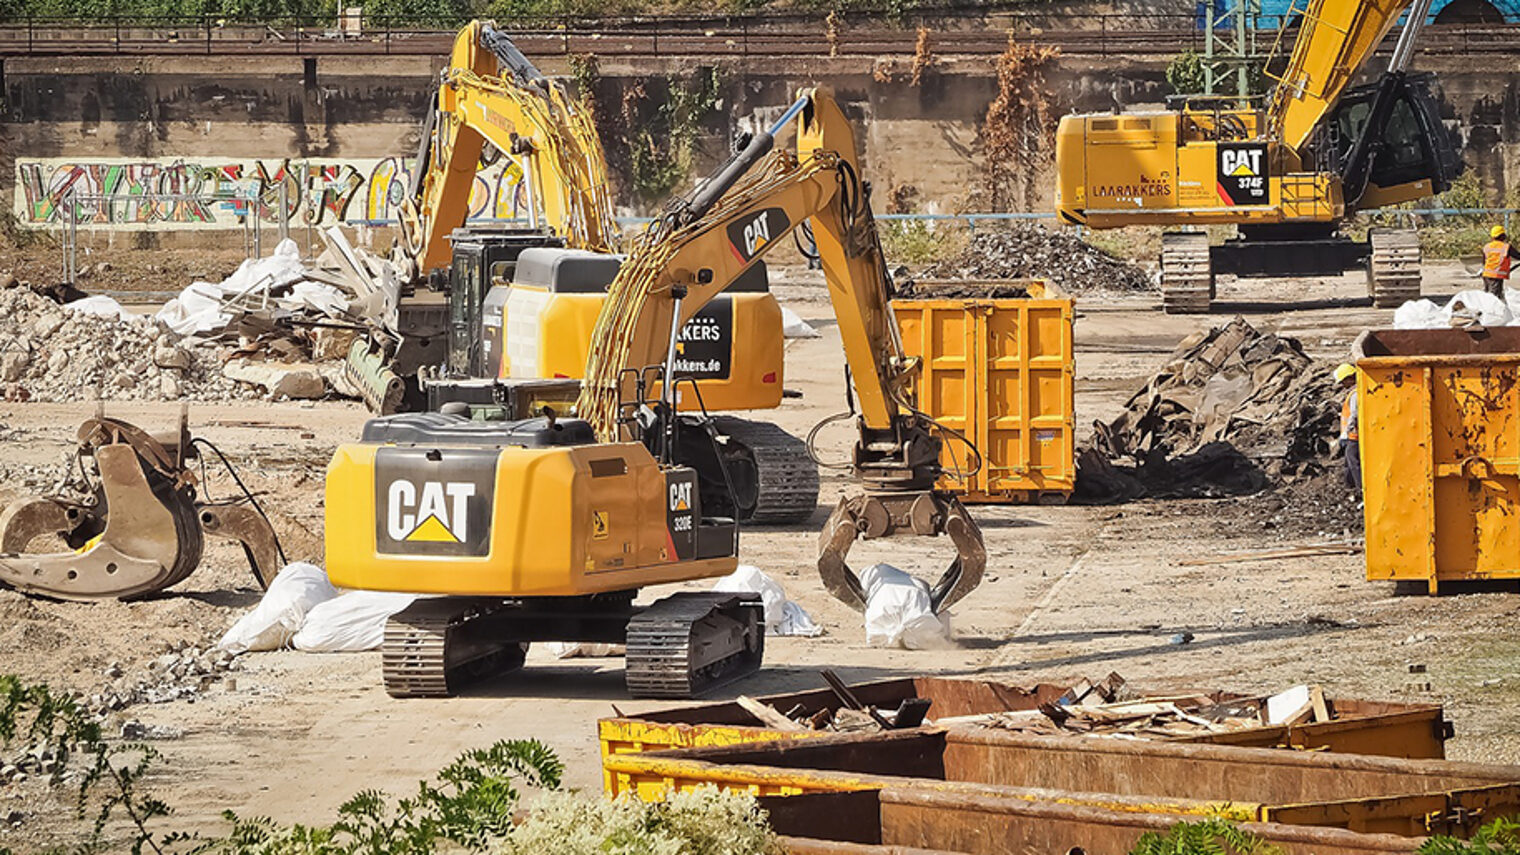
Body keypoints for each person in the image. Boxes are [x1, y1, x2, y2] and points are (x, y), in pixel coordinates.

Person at [1336, 363, 1361, 493]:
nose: (1342, 385)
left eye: (1343, 381)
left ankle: (1360, 488)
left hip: (1354, 435)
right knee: (1348, 462)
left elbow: (1354, 414)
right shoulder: (1354, 392)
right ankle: (1348, 486)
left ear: (1350, 378)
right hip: (1351, 434)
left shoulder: (1355, 394)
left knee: (1353, 462)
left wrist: (1346, 432)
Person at [1481, 225, 1520, 298]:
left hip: (1486, 275)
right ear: (1503, 236)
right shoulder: (1506, 247)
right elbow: (1518, 256)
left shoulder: (1487, 246)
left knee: (1488, 295)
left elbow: (1484, 262)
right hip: (1495, 276)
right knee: (1494, 297)